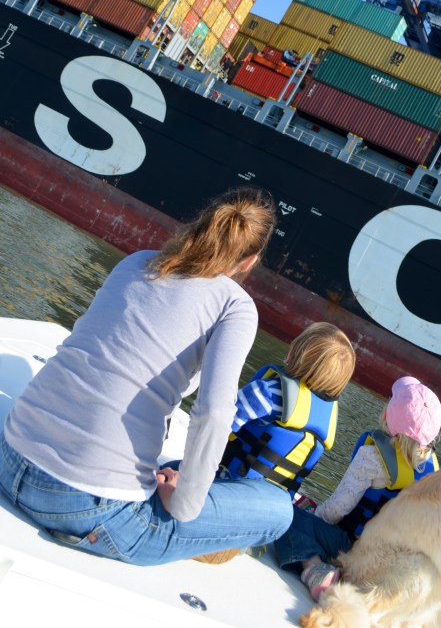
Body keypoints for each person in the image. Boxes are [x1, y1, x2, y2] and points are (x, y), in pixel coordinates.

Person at [0, 187, 294, 565]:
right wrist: (182, 505)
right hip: (83, 505)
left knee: (176, 467)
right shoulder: (234, 305)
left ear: (200, 226)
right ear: (250, 261)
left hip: (11, 457)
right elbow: (215, 414)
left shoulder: (138, 261)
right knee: (277, 507)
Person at [275, 376, 441, 600]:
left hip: (352, 551)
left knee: (284, 514)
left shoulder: (372, 457)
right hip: (387, 567)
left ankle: (314, 569)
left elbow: (337, 509)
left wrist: (313, 519)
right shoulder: (435, 472)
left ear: (387, 414)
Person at [221, 322, 356, 496]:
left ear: (293, 353)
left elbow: (216, 426)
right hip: (275, 508)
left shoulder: (265, 392)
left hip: (228, 487)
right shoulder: (327, 420)